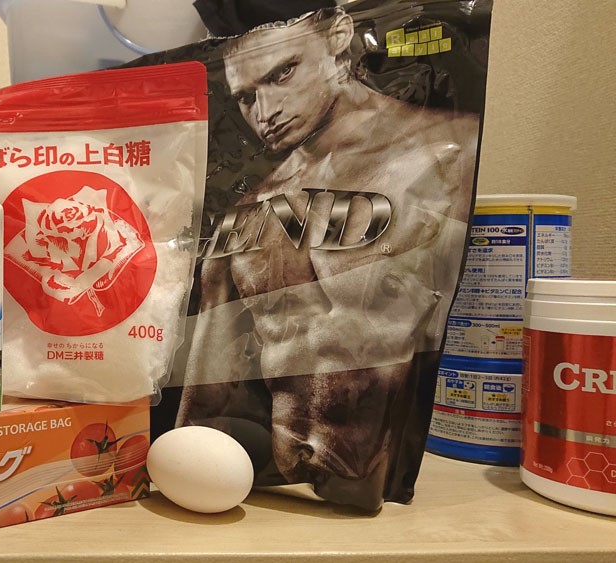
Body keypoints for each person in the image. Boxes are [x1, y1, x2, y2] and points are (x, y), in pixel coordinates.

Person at [176, 8, 480, 503]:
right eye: (246, 97)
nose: (265, 111)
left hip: (374, 476)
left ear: (338, 36)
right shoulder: (250, 208)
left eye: (282, 73)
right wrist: (184, 475)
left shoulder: (452, 153)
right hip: (276, 482)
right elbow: (210, 376)